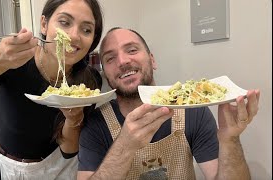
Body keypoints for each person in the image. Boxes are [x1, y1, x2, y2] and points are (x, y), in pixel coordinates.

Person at [77, 27, 260, 180]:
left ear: (152, 59)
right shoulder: (95, 124)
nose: (123, 61)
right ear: (106, 75)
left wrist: (230, 140)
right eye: (110, 58)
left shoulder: (193, 112)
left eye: (132, 50)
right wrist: (125, 145)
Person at [0, 0, 103, 179]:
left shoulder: (90, 80)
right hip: (1, 162)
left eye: (86, 30)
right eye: (64, 22)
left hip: (54, 169)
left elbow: (68, 150)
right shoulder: (14, 60)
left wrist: (74, 120)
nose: (73, 35)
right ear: (44, 24)